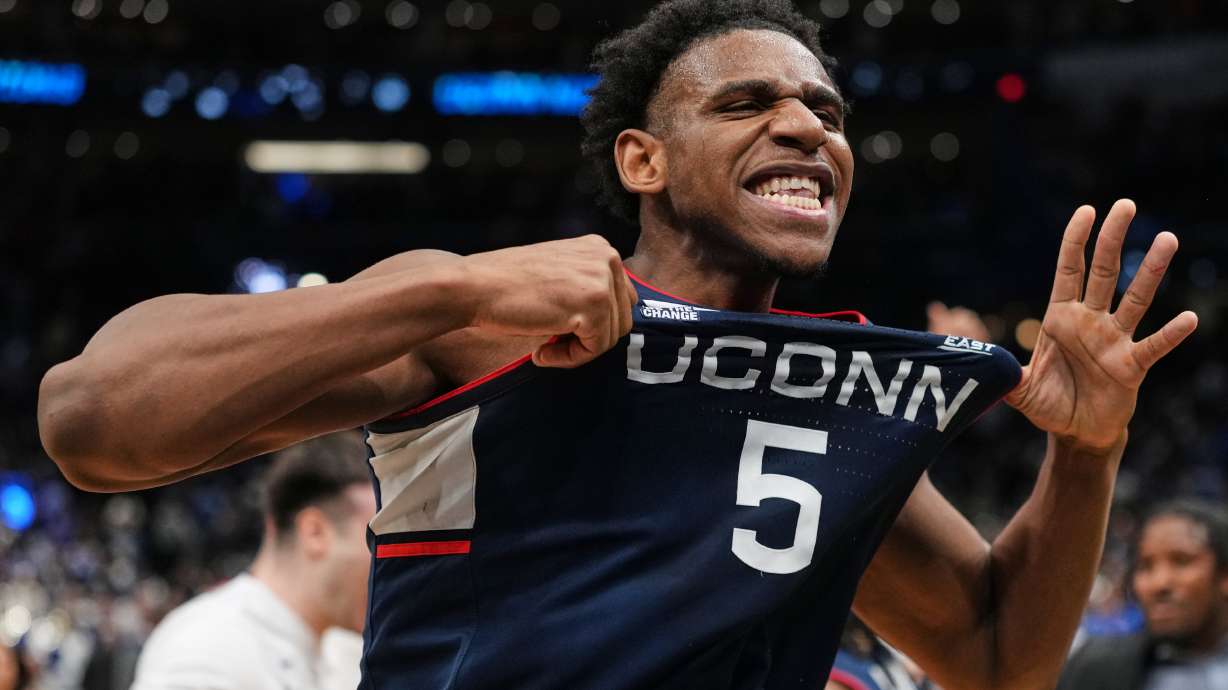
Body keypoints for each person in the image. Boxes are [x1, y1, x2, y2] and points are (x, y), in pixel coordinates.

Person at [37, 0, 1198, 687]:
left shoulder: (840, 399)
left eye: (827, 113)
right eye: (746, 104)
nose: (805, 125)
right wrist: (443, 284)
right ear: (641, 163)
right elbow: (93, 419)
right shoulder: (480, 320)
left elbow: (993, 659)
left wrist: (1085, 457)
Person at [129, 432, 375, 690]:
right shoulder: (206, 650)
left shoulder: (343, 652)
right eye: (376, 540)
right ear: (315, 532)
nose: (388, 564)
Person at [1058, 499, 1228, 690]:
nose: (1160, 583)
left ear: (1224, 575)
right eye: (1145, 566)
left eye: (1182, 561)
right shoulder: (1093, 669)